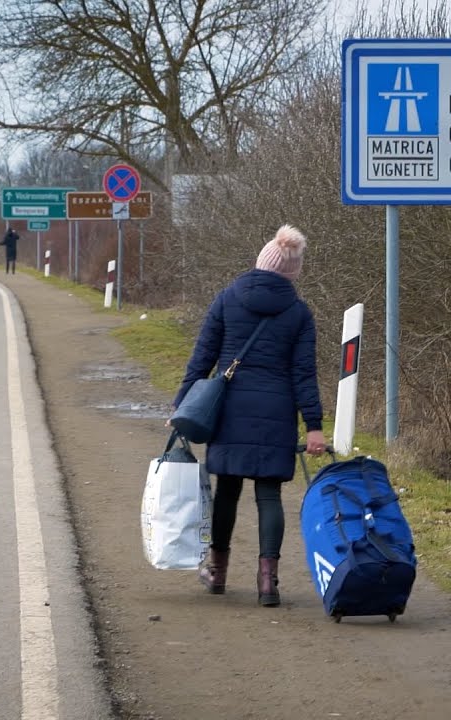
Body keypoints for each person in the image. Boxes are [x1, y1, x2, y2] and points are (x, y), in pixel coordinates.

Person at [171, 224, 326, 607]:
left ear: (260, 262)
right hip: (276, 409)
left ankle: (217, 571)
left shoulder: (227, 299)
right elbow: (304, 374)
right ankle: (268, 581)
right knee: (269, 493)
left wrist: (181, 406)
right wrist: (315, 427)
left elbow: (202, 358)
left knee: (228, 489)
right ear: (293, 272)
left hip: (231, 408)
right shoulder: (299, 313)